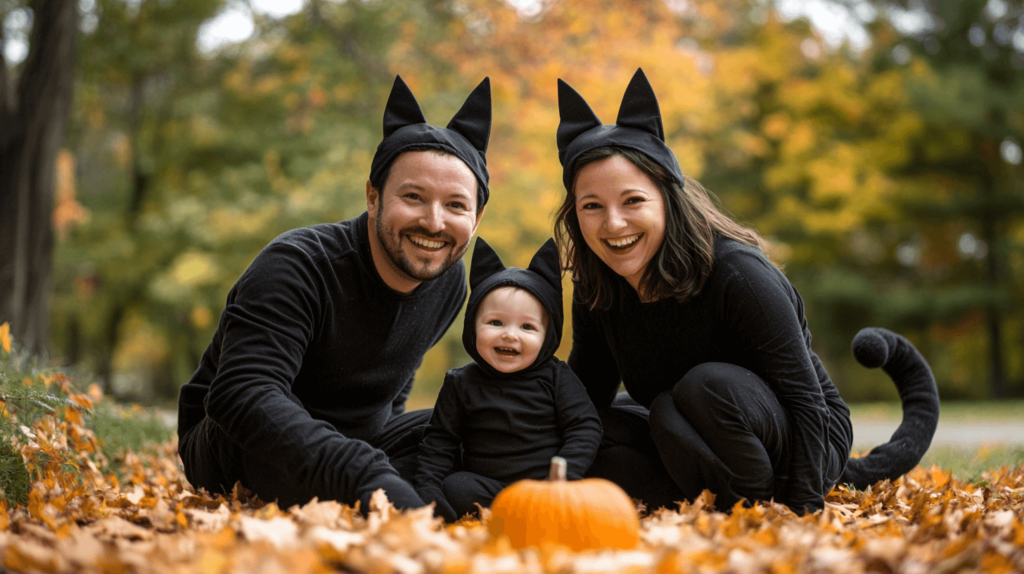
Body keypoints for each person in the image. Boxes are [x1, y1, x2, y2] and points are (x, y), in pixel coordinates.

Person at [553, 69, 940, 514]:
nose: (613, 224)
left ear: (667, 199)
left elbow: (806, 402)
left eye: (633, 201)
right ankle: (697, 505)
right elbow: (585, 401)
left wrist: (803, 507)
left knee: (699, 389)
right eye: (592, 207)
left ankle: (759, 507)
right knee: (598, 428)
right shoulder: (597, 288)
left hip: (802, 438)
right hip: (692, 438)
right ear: (575, 215)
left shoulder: (737, 274)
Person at [176, 75, 493, 511]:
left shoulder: (450, 280)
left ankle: (417, 501)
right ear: (373, 197)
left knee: (483, 429)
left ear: (475, 221)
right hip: (234, 438)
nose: (434, 222)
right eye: (414, 197)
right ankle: (379, 493)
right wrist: (365, 471)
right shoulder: (298, 265)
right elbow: (241, 392)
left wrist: (393, 459)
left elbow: (396, 385)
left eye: (456, 205)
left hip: (358, 440)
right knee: (311, 468)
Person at [414, 237, 602, 522]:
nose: (510, 334)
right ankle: (514, 514)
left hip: (546, 484)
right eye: (495, 322)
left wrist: (566, 473)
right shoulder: (461, 383)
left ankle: (542, 507)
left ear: (547, 336)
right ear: (473, 326)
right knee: (457, 486)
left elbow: (584, 426)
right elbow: (440, 441)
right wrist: (428, 487)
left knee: (600, 481)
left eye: (527, 326)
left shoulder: (556, 376)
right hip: (489, 488)